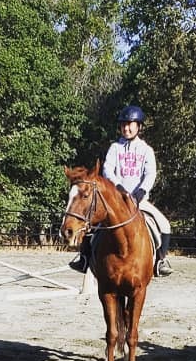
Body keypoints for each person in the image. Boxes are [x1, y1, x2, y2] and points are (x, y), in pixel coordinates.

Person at [69, 105, 173, 276]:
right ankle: (84, 259)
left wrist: (140, 193)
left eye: (130, 124)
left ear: (139, 126)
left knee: (164, 225)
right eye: (123, 124)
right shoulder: (115, 148)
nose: (126, 128)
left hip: (139, 201)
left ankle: (160, 261)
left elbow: (150, 174)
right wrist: (118, 188)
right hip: (116, 201)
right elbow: (107, 170)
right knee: (91, 225)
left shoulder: (146, 151)